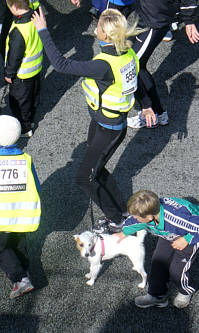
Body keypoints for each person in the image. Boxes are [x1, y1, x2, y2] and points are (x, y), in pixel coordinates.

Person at [32, 7, 150, 232]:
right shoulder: (127, 53)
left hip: (109, 128)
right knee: (97, 168)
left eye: (98, 26)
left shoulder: (103, 65)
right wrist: (147, 106)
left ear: (105, 34)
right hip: (102, 122)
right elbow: (137, 79)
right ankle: (123, 211)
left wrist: (43, 31)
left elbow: (61, 65)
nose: (95, 27)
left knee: (84, 178)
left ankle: (116, 220)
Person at [114, 190, 199, 308]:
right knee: (158, 262)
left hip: (188, 234)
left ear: (149, 216)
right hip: (167, 233)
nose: (135, 219)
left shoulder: (175, 219)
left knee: (177, 270)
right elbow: (134, 222)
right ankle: (157, 295)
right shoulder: (148, 214)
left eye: (137, 217)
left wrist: (186, 240)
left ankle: (186, 290)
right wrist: (124, 233)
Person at [126, 0, 199, 129]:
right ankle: (159, 113)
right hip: (148, 15)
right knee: (139, 65)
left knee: (132, 66)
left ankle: (149, 112)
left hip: (154, 20)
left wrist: (189, 20)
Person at [0, 115, 41, 299]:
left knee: (2, 249)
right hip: (22, 215)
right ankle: (25, 268)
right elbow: (36, 186)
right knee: (18, 242)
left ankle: (21, 278)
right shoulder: (26, 159)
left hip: (2, 217)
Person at [4, 0, 43, 137]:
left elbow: (15, 56)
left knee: (20, 103)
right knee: (32, 97)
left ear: (14, 7)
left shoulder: (19, 30)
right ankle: (31, 121)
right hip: (35, 70)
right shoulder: (35, 17)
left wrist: (9, 74)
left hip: (21, 75)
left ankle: (25, 128)